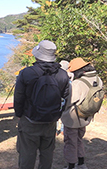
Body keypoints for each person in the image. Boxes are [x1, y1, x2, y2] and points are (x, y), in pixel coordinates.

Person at [13, 40, 70, 169]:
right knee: (47, 154)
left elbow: (19, 97)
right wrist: (57, 115)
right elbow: (66, 98)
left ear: (37, 55)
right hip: (50, 121)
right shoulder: (62, 74)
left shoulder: (27, 73)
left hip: (29, 119)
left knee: (27, 154)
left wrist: (19, 114)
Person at [61, 58, 103, 169]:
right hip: (87, 116)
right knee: (79, 139)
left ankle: (71, 165)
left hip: (73, 118)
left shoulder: (78, 83)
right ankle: (81, 163)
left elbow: (69, 101)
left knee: (70, 141)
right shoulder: (98, 80)